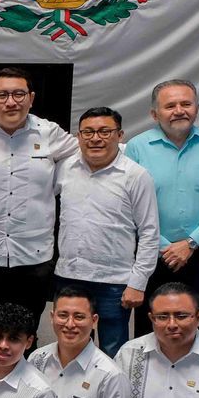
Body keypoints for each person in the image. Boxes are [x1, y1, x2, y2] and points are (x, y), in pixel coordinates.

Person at [0, 67, 78, 349]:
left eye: (19, 94)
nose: (11, 101)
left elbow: (86, 153)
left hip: (34, 258)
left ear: (31, 98)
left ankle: (23, 393)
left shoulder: (49, 132)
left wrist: (61, 180)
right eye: (2, 95)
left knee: (24, 336)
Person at [125, 79, 199, 335]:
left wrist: (190, 243)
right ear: (155, 114)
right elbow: (128, 206)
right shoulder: (137, 148)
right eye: (170, 105)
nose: (179, 110)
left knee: (195, 323)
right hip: (151, 252)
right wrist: (165, 247)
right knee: (150, 325)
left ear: (196, 108)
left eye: (186, 104)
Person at [54, 106, 159, 357]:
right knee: (71, 346)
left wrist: (138, 282)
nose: (95, 138)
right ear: (78, 136)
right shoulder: (65, 168)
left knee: (113, 351)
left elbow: (149, 232)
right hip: (69, 275)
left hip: (114, 282)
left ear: (120, 135)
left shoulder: (136, 175)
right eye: (88, 132)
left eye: (104, 131)